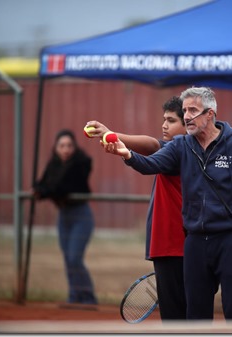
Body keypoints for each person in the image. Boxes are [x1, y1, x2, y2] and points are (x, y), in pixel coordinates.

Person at [102, 87, 232, 320]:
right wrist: (127, 154)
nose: (187, 116)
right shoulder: (180, 145)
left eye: (193, 110)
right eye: (184, 110)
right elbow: (150, 164)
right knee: (195, 316)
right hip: (194, 241)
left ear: (210, 114)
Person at [84, 96, 187, 320]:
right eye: (164, 119)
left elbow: (152, 145)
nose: (164, 125)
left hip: (174, 247)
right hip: (175, 247)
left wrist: (113, 135)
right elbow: (154, 145)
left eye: (171, 120)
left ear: (188, 124)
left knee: (177, 320)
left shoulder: (180, 151)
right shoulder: (184, 151)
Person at [33, 129, 98, 307]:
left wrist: (45, 191)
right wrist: (40, 189)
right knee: (67, 258)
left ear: (75, 147)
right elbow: (42, 184)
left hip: (81, 215)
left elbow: (63, 186)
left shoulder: (81, 163)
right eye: (62, 146)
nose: (66, 149)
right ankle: (74, 296)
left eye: (69, 145)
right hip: (64, 215)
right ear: (56, 148)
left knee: (74, 257)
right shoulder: (53, 164)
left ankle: (88, 297)